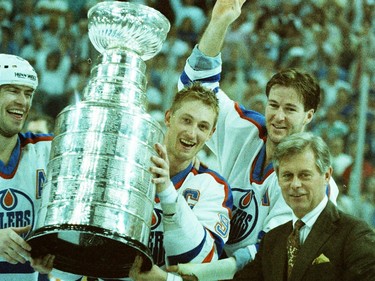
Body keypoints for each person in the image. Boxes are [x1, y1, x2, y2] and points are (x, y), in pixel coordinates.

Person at [170, 0, 339, 280]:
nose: (278, 116)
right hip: (205, 258)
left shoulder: (312, 178)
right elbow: (194, 90)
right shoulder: (246, 128)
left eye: (290, 109)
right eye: (273, 105)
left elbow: (266, 254)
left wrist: (192, 274)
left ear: (309, 116)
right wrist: (220, 23)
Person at [127, 82, 232, 281]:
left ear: (211, 133)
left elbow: (202, 264)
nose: (192, 133)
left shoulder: (214, 187)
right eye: (186, 120)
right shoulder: (129, 161)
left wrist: (167, 191)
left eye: (203, 126)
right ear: (168, 118)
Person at [235, 132, 375, 280]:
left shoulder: (355, 234)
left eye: (304, 175)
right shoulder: (272, 240)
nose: (295, 184)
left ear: (327, 176)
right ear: (278, 179)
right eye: (287, 175)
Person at [0, 53, 81, 281]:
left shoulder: (48, 151)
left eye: (28, 94)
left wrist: (56, 254)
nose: (23, 102)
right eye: (13, 90)